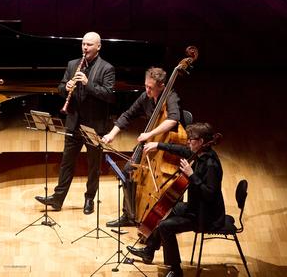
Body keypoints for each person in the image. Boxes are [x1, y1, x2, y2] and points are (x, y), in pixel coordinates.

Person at [126, 122, 225, 277]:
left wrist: (192, 175)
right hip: (195, 207)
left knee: (165, 226)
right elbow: (180, 149)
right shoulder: (197, 153)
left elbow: (209, 195)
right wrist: (158, 144)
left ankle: (176, 269)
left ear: (200, 142)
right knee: (164, 209)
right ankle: (149, 251)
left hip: (205, 216)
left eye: (191, 139)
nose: (188, 142)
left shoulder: (211, 164)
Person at [34, 32, 115, 214]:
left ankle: (89, 199)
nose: (85, 47)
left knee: (93, 165)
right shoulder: (72, 65)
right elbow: (61, 88)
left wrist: (87, 84)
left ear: (98, 46)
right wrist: (66, 87)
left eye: (89, 45)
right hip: (74, 122)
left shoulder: (107, 68)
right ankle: (57, 199)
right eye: (83, 44)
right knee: (66, 163)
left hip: (94, 125)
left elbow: (109, 95)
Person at [102, 67, 181, 227]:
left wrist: (150, 134)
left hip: (164, 145)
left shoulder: (171, 97)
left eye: (150, 87)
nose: (147, 90)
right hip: (148, 144)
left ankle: (158, 218)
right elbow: (128, 115)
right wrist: (112, 134)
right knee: (128, 172)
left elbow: (173, 120)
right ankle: (129, 214)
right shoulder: (146, 96)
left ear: (162, 86)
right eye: (146, 85)